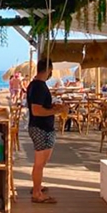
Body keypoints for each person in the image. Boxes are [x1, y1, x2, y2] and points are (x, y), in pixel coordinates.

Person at [26, 58, 68, 204]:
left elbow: (41, 107)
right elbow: (36, 110)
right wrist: (55, 112)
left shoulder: (36, 85)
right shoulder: (38, 86)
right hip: (40, 128)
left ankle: (37, 186)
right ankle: (37, 193)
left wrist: (52, 107)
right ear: (49, 69)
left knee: (42, 162)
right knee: (39, 163)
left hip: (42, 127)